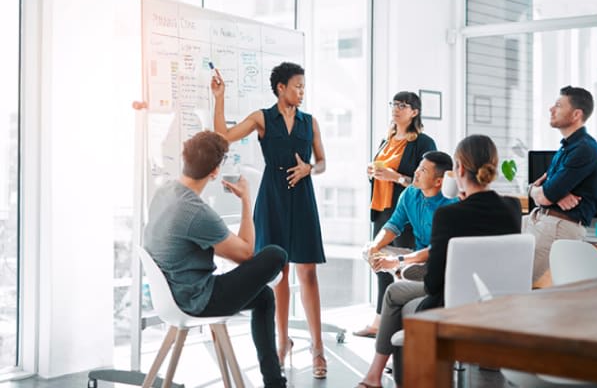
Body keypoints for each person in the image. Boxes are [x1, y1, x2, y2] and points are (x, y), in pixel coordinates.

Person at [356, 135, 522, 388]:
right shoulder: (511, 208)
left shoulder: (449, 214)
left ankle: (376, 376)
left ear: (459, 170)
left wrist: (401, 264)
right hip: (499, 308)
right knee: (400, 290)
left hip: (451, 306)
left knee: (394, 295)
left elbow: (433, 284)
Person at [210, 62, 328, 379]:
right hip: (272, 197)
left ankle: (318, 348)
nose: (302, 91)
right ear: (281, 88)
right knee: (280, 273)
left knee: (308, 273)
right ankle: (282, 342)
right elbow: (223, 136)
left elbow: (322, 163)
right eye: (297, 86)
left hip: (302, 199)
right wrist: (219, 98)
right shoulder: (262, 118)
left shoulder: (310, 122)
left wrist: (309, 170)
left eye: (304, 86)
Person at [143, 131, 287, 388]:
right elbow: (245, 253)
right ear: (214, 172)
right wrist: (246, 200)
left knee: (264, 297)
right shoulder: (195, 213)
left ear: (184, 159)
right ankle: (275, 384)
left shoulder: (164, 192)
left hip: (171, 294)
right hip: (196, 300)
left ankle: (274, 382)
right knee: (276, 255)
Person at [354, 91, 437, 339]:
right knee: (380, 265)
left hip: (407, 214)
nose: (397, 108)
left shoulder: (423, 143)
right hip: (382, 209)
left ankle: (403, 326)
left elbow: (427, 181)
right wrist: (372, 172)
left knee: (404, 270)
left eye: (403, 105)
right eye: (394, 104)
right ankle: (379, 323)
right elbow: (382, 171)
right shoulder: (386, 140)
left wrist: (396, 178)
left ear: (415, 112)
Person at [524, 86, 597, 288]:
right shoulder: (567, 147)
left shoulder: (584, 150)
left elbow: (545, 194)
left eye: (559, 105)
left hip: (556, 228)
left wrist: (547, 193)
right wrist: (545, 192)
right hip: (544, 222)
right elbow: (540, 190)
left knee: (523, 286)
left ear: (576, 114)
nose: (551, 109)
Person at [365, 151, 457, 281]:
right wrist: (375, 247)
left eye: (423, 170)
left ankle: (408, 270)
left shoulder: (451, 205)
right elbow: (393, 225)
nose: (416, 172)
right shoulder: (410, 193)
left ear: (438, 182)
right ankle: (404, 271)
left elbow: (437, 249)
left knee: (431, 261)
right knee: (369, 249)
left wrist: (397, 260)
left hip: (438, 258)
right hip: (415, 256)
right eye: (418, 167)